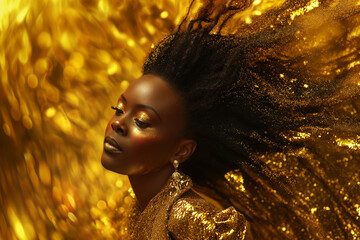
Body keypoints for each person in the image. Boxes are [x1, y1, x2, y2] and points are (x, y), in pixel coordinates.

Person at [101, 0, 360, 239]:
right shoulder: (141, 207)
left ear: (181, 150)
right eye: (119, 109)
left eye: (143, 121)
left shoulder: (191, 218)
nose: (117, 124)